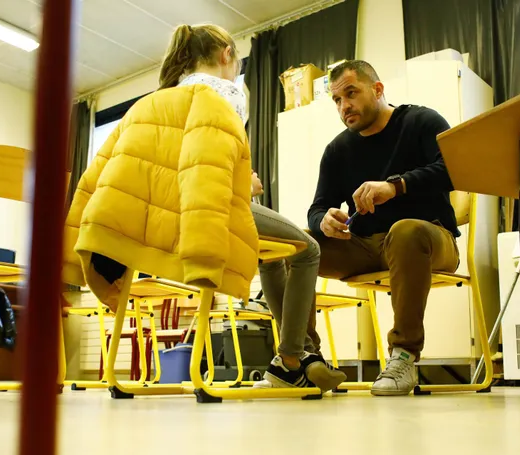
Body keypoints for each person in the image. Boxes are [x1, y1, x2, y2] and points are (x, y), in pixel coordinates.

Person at [159, 24, 345, 392]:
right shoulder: (223, 91)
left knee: (270, 257)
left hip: (174, 211)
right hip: (212, 206)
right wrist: (246, 186)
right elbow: (209, 165)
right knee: (307, 249)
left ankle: (297, 358)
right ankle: (293, 357)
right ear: (227, 55)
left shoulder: (172, 94)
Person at [306, 60, 460, 396]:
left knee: (405, 231)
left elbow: (454, 169)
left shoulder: (422, 121)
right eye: (337, 100)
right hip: (365, 247)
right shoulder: (337, 150)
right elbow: (317, 207)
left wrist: (396, 186)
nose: (344, 106)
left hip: (430, 239)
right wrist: (323, 221)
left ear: (377, 90)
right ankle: (304, 358)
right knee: (299, 245)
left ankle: (404, 355)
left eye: (351, 93)